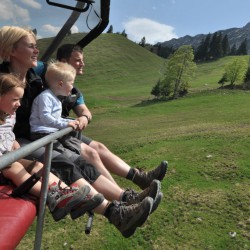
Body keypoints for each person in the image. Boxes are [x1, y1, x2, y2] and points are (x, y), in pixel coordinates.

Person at [0, 25, 158, 238]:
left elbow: (64, 76)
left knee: (81, 160)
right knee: (59, 162)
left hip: (38, 134)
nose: (37, 50)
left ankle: (123, 198)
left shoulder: (35, 74)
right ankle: (115, 213)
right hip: (19, 140)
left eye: (37, 46)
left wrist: (82, 112)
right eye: (31, 46)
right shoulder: (2, 79)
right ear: (11, 49)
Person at [35, 43, 168, 190]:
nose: (82, 64)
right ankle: (121, 196)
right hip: (49, 129)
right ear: (64, 62)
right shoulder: (44, 71)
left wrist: (84, 118)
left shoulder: (73, 91)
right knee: (92, 153)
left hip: (63, 128)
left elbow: (85, 111)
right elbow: (27, 64)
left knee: (99, 146)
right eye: (78, 60)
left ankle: (140, 178)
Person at [0, 73, 102, 222]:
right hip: (3, 164)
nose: (19, 104)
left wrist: (13, 140)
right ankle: (53, 199)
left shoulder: (9, 115)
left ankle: (67, 195)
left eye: (20, 99)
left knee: (38, 166)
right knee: (15, 168)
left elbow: (6, 132)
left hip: (7, 156)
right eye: (15, 99)